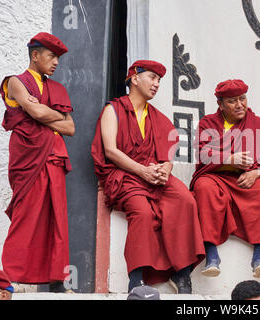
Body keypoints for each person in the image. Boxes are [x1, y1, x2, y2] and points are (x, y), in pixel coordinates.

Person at [91, 60, 205, 294]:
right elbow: (111, 150)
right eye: (152, 78)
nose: (156, 84)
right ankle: (136, 278)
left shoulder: (157, 116)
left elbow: (168, 154)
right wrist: (141, 170)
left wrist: (166, 169)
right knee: (142, 212)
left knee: (185, 199)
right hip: (124, 175)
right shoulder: (112, 110)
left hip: (151, 174)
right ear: (134, 78)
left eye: (159, 81)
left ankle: (181, 272)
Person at [0, 32, 75, 292]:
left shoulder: (57, 89)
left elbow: (71, 128)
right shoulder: (15, 82)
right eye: (52, 56)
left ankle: (57, 281)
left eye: (58, 59)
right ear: (35, 55)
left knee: (57, 220)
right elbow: (35, 111)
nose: (56, 63)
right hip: (28, 158)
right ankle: (11, 277)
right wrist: (52, 116)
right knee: (26, 216)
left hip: (54, 157)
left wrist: (45, 113)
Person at [190, 79, 260, 279]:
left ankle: (259, 256)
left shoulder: (258, 124)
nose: (239, 105)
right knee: (203, 188)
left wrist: (255, 173)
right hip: (216, 177)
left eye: (242, 99)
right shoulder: (207, 123)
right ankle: (211, 255)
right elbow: (202, 153)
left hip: (246, 178)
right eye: (232, 101)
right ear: (220, 104)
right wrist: (229, 159)